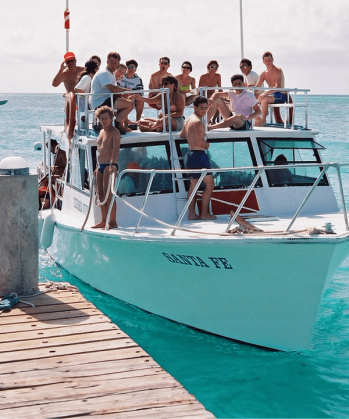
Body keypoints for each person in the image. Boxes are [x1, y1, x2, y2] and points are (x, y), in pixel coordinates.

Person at [179, 96, 216, 220]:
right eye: (201, 108)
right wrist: (207, 144)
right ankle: (204, 214)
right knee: (210, 184)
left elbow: (182, 134)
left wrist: (193, 138)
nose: (204, 110)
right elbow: (201, 143)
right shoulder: (199, 122)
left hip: (190, 155)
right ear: (195, 107)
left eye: (206, 108)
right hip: (199, 155)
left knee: (194, 185)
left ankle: (192, 214)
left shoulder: (189, 119)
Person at [91, 106, 120, 229]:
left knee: (109, 194)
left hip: (110, 165)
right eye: (102, 118)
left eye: (106, 118)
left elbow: (116, 149)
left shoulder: (115, 132)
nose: (104, 121)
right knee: (100, 194)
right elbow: (99, 150)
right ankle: (104, 220)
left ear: (111, 119)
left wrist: (112, 164)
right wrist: (97, 167)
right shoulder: (101, 132)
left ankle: (113, 222)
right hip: (100, 166)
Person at [90, 52, 134, 134]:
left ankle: (117, 125)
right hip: (100, 102)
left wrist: (123, 95)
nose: (113, 65)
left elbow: (113, 91)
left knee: (127, 102)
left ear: (118, 64)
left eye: (115, 63)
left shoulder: (111, 73)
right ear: (107, 62)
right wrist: (126, 90)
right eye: (111, 63)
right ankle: (117, 125)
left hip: (106, 99)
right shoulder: (105, 73)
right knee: (130, 104)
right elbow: (112, 88)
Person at [254, 52, 286, 127]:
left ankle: (263, 120)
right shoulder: (263, 73)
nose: (268, 62)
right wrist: (249, 94)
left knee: (264, 98)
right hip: (270, 95)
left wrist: (264, 93)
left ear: (273, 60)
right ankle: (257, 117)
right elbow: (257, 87)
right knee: (252, 97)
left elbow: (278, 86)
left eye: (269, 60)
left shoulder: (278, 70)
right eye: (266, 60)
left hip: (280, 94)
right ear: (263, 62)